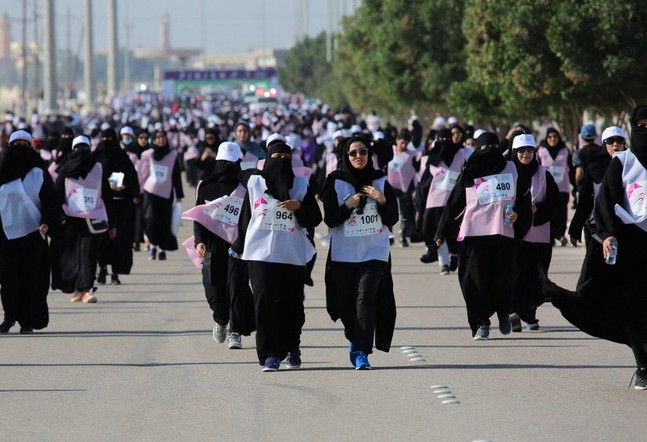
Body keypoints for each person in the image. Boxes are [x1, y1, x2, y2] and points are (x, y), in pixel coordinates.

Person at [548, 106, 647, 389]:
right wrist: (607, 236)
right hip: (633, 245)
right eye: (641, 125)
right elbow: (607, 201)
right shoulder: (624, 162)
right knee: (634, 307)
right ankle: (643, 366)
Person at [231, 141, 322, 372]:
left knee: (291, 305)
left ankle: (292, 347)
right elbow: (246, 217)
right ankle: (269, 354)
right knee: (264, 303)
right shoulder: (255, 183)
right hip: (260, 254)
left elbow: (315, 218)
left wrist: (299, 206)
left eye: (285, 156)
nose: (280, 161)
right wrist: (239, 245)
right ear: (268, 159)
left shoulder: (301, 184)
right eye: (276, 156)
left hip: (291, 254)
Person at [435, 132, 532, 340]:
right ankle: (480, 324)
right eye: (484, 149)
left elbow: (524, 198)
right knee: (473, 281)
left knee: (502, 280)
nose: (489, 153)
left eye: (494, 148)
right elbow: (455, 202)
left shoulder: (512, 168)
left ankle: (503, 312)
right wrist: (441, 230)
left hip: (502, 233)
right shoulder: (469, 172)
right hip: (474, 234)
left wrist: (520, 216)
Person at [321, 136, 399, 369]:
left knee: (366, 299)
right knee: (346, 304)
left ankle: (362, 351)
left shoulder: (380, 180)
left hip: (374, 252)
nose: (358, 157)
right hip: (344, 254)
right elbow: (330, 219)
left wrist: (381, 199)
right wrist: (348, 205)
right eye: (353, 153)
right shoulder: (334, 181)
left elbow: (393, 217)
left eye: (363, 152)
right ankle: (354, 338)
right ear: (345, 156)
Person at [189, 142, 255, 349]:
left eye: (231, 163)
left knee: (237, 288)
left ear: (238, 163)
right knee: (213, 289)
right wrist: (199, 240)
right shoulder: (206, 186)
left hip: (238, 246)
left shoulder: (246, 187)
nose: (226, 166)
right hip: (212, 246)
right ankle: (221, 319)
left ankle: (235, 331)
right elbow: (199, 216)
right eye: (223, 162)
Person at [0, 130, 60, 333]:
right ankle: (9, 318)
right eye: (16, 145)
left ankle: (27, 320)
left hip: (34, 234)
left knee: (31, 279)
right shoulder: (2, 172)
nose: (20, 150)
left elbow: (51, 202)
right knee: (8, 279)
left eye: (24, 146)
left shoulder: (38, 173)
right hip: (6, 236)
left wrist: (46, 221)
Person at [50, 135, 114, 303]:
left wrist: (112, 223)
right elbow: (57, 193)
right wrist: (57, 216)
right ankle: (77, 289)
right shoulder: (64, 169)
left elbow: (106, 194)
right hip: (70, 218)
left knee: (88, 254)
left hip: (93, 218)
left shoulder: (98, 168)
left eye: (83, 149)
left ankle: (86, 289)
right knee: (72, 254)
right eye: (78, 149)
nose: (81, 153)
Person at [508, 134, 558, 332]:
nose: (525, 154)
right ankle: (518, 312)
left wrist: (538, 209)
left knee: (538, 276)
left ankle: (529, 312)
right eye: (521, 151)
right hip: (514, 233)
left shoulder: (543, 173)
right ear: (514, 152)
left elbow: (555, 201)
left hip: (539, 233)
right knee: (517, 274)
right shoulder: (507, 173)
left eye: (529, 150)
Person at [94, 128, 140, 285]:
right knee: (101, 240)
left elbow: (132, 179)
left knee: (118, 240)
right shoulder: (96, 158)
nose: (107, 142)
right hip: (101, 205)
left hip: (121, 205)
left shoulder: (123, 158)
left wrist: (129, 190)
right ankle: (101, 269)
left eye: (110, 138)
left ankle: (115, 273)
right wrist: (106, 186)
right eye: (104, 138)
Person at [418, 128, 468, 273]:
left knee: (454, 233)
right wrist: (420, 206)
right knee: (438, 234)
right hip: (435, 202)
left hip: (455, 202)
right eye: (441, 140)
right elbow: (424, 183)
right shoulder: (432, 158)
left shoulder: (460, 154)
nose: (444, 143)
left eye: (447, 139)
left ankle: (455, 255)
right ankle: (443, 263)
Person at [139, 130, 184, 260]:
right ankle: (152, 246)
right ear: (153, 140)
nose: (161, 139)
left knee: (164, 221)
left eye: (163, 137)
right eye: (157, 137)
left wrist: (179, 193)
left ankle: (161, 249)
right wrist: (137, 190)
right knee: (150, 219)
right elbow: (142, 173)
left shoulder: (173, 155)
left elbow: (176, 175)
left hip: (166, 193)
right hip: (150, 191)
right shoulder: (148, 154)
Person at [536, 128, 573, 246]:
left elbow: (571, 168)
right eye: (550, 137)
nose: (552, 139)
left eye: (555, 137)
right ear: (546, 138)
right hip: (546, 189)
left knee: (561, 213)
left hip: (562, 189)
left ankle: (561, 235)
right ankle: (550, 236)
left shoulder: (565, 150)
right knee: (548, 212)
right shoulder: (540, 150)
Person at [387, 129, 418, 247]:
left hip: (405, 188)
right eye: (402, 143)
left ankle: (403, 236)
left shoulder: (411, 155)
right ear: (397, 141)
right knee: (389, 212)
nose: (403, 145)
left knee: (404, 214)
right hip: (389, 187)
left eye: (406, 143)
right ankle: (389, 236)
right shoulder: (390, 151)